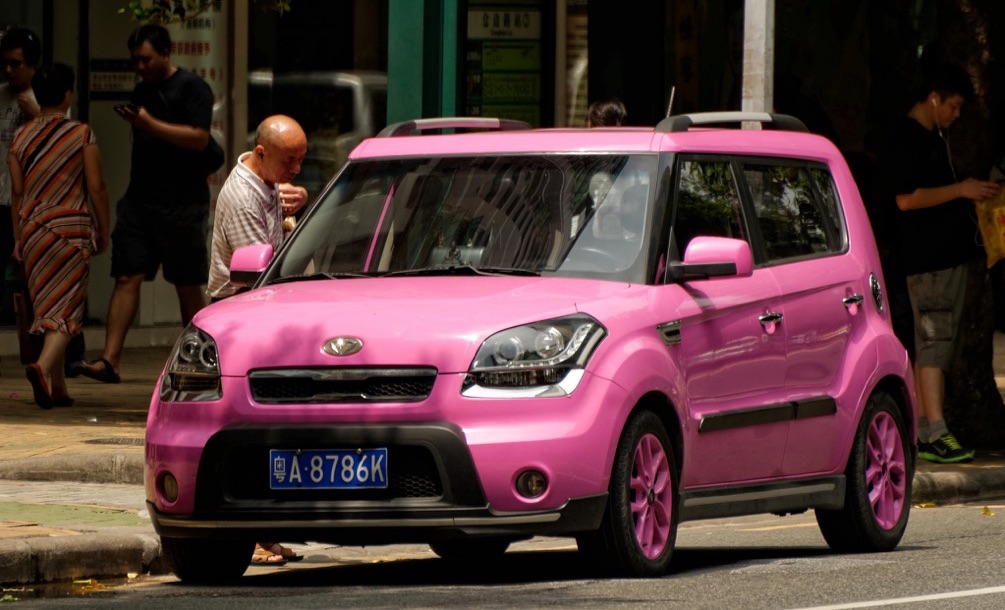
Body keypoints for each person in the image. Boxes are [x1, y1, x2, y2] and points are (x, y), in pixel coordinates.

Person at [78, 24, 215, 384]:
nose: (140, 66)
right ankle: (110, 361)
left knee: (186, 284)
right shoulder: (142, 89)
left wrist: (150, 124)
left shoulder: (192, 88)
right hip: (140, 201)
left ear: (166, 53)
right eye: (135, 60)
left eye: (146, 59)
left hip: (183, 204)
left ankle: (203, 362)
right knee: (126, 275)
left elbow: (200, 139)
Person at [883, 63, 1000, 463]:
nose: (955, 114)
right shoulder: (907, 139)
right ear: (934, 98)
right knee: (933, 343)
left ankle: (924, 427)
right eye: (952, 105)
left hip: (945, 258)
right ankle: (936, 431)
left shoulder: (934, 138)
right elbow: (906, 199)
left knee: (937, 345)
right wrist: (960, 190)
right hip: (928, 262)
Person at [9, 63, 110, 408]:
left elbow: (17, 195)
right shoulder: (80, 134)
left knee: (47, 307)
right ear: (69, 94)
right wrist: (104, 228)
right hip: (71, 230)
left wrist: (18, 238)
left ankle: (59, 389)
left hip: (33, 231)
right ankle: (41, 367)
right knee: (67, 312)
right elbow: (96, 188)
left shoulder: (20, 138)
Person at [207, 114, 307, 301]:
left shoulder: (266, 174)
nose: (296, 169)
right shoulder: (244, 202)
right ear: (261, 153)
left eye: (301, 159)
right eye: (289, 160)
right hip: (240, 300)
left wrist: (300, 195)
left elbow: (283, 191)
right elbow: (260, 273)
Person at [1, 28, 41, 326]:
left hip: (31, 204)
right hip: (1, 197)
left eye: (16, 64)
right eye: (6, 63)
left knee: (37, 281)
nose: (9, 70)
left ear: (31, 65)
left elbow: (64, 141)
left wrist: (37, 115)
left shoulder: (46, 98)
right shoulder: (0, 95)